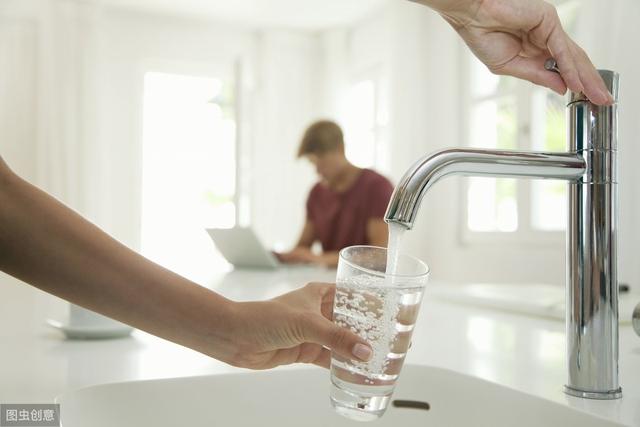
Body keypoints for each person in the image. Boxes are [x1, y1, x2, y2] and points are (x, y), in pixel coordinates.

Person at [0, 0, 612, 372]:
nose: (316, 174)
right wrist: (244, 311)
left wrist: (232, 328)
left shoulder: (374, 185)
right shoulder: (317, 196)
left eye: (318, 162)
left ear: (335, 150)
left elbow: (377, 259)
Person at [276, 121, 393, 268]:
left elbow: (380, 255)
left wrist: (319, 259)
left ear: (341, 149)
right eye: (312, 163)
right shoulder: (316, 193)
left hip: (365, 285)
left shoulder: (377, 187)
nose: (317, 170)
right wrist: (284, 256)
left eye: (321, 161)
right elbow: (303, 248)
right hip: (327, 283)